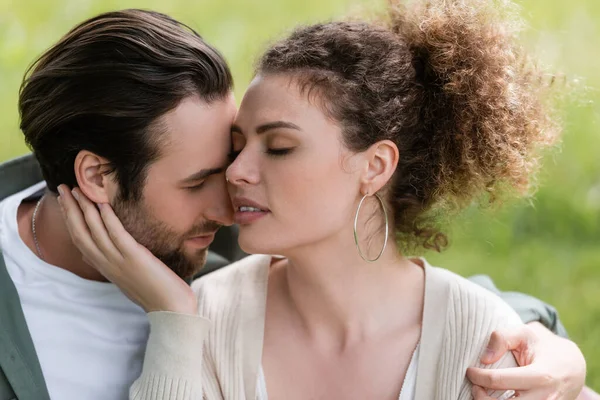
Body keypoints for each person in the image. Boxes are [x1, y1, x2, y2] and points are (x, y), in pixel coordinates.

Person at [54, 1, 595, 399]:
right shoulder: (206, 318)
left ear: (375, 166)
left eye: (281, 147)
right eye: (237, 146)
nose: (236, 172)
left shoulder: (486, 342)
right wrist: (174, 322)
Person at [0, 9, 236, 400]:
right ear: (95, 177)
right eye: (196, 184)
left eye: (228, 170)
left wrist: (175, 319)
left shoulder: (237, 279)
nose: (228, 213)